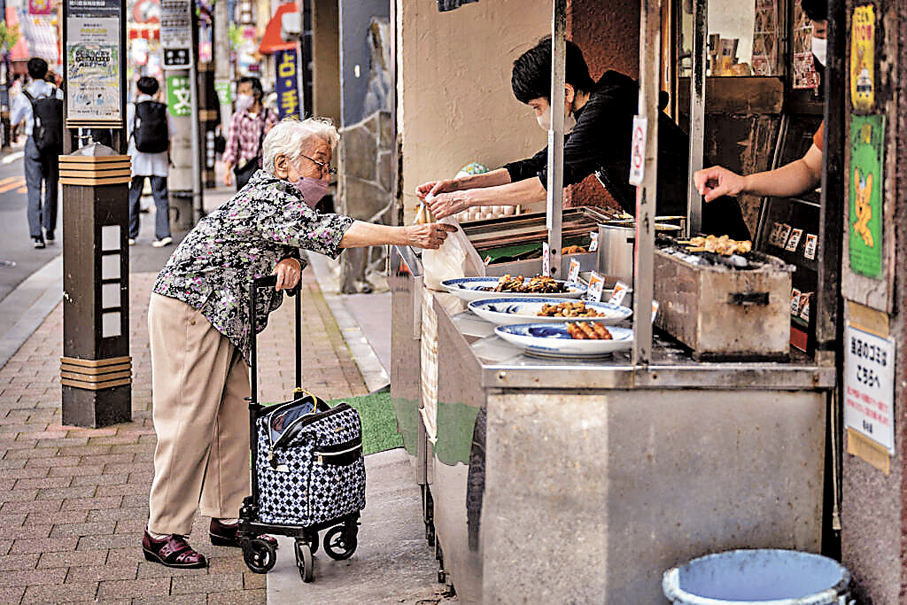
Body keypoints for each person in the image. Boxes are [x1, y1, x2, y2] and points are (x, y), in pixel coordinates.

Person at [141, 117, 456, 568]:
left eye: (329, 168)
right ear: (284, 163)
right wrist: (406, 235)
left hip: (227, 315)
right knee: (188, 419)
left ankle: (228, 514)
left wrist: (289, 254)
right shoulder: (271, 195)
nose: (325, 178)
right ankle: (162, 530)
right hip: (194, 308)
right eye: (319, 165)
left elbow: (291, 233)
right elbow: (329, 231)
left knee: (233, 418)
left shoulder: (279, 201)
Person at [417, 37, 750, 241]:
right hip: (674, 228)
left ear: (564, 91)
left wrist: (467, 202)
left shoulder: (608, 108)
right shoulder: (594, 110)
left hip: (707, 228)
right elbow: (538, 164)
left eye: (536, 107)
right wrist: (460, 186)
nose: (538, 116)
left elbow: (548, 182)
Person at [694, 0, 826, 202]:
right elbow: (810, 170)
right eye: (818, 33)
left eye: (823, 32)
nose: (820, 41)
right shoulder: (841, 109)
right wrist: (742, 183)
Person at [10, 58, 63, 249]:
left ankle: (36, 235)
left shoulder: (24, 95)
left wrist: (13, 134)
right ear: (46, 71)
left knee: (33, 188)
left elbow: (15, 120)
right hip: (53, 143)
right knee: (51, 186)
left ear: (30, 73)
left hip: (34, 142)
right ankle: (49, 229)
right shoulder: (57, 92)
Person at [127, 76, 172, 248]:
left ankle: (131, 234)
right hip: (159, 159)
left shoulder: (133, 108)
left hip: (137, 158)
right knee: (160, 197)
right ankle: (163, 234)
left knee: (134, 195)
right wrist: (169, 156)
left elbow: (127, 133)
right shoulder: (163, 109)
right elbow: (170, 135)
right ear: (155, 91)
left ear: (138, 90)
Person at [222, 76, 278, 190]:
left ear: (257, 94)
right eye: (240, 92)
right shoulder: (238, 118)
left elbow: (278, 146)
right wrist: (227, 170)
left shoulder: (270, 116)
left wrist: (270, 135)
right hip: (245, 172)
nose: (241, 96)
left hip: (266, 173)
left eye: (245, 92)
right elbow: (231, 147)